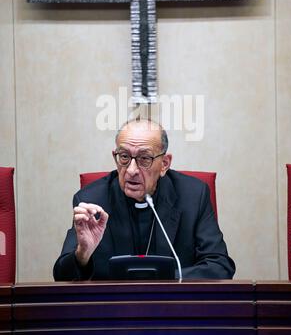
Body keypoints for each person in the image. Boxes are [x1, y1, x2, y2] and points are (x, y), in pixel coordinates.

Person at [53, 119, 235, 280]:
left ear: (164, 164)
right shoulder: (92, 200)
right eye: (124, 157)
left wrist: (163, 278)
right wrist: (82, 254)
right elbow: (62, 277)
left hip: (174, 310)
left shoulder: (193, 196)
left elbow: (220, 266)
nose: (131, 170)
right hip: (112, 312)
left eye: (144, 158)